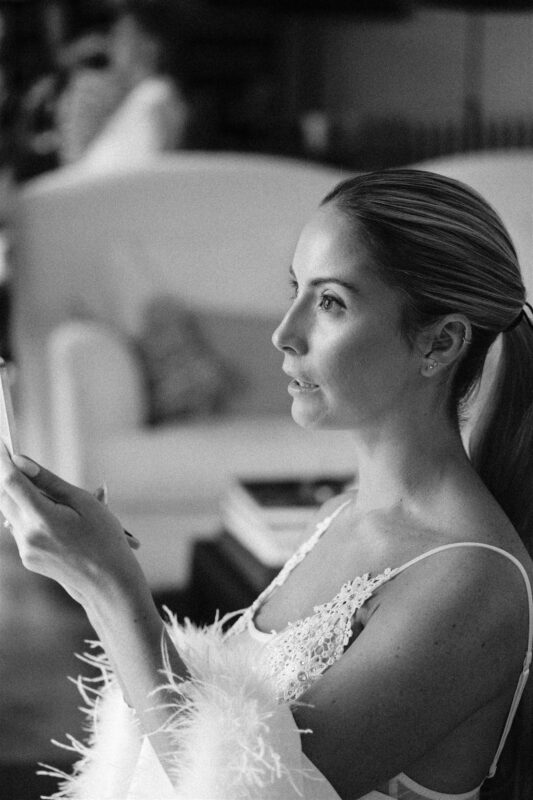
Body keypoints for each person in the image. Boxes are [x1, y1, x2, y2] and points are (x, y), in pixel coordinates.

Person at [1, 169, 532, 800]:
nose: (284, 333)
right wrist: (100, 566)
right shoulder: (341, 514)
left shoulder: (475, 581)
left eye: (330, 302)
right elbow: (224, 741)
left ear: (440, 343)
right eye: (295, 289)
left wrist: (108, 586)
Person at [75, 0, 191, 173]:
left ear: (150, 45)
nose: (110, 45)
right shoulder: (132, 100)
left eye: (122, 36)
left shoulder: (156, 96)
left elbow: (143, 175)